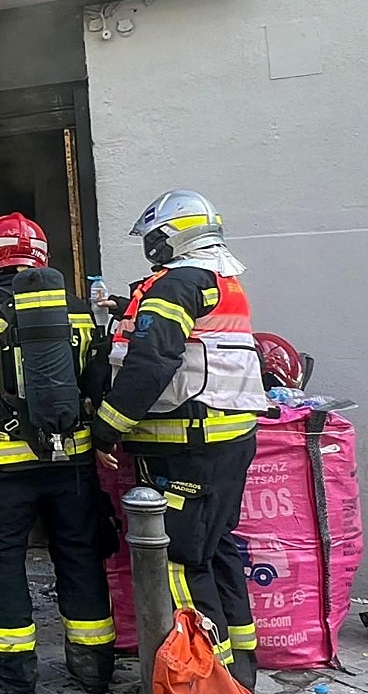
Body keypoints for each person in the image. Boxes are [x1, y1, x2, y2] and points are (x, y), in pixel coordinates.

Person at [0, 213, 115, 694]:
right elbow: (97, 383)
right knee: (79, 554)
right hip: (72, 462)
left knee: (3, 559)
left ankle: (13, 671)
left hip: (3, 469)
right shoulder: (76, 309)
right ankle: (92, 665)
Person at [92, 189, 265, 692]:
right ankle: (239, 671)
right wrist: (129, 308)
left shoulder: (177, 283)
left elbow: (153, 362)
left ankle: (202, 679)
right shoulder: (221, 280)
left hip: (187, 448)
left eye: (155, 238)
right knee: (219, 551)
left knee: (184, 565)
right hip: (226, 442)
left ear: (173, 236)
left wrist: (107, 426)